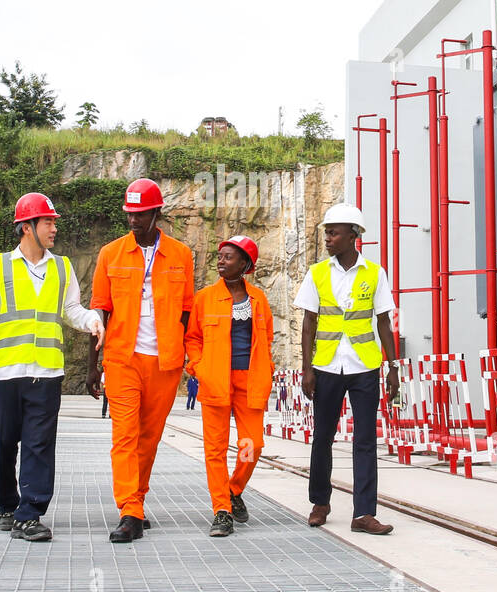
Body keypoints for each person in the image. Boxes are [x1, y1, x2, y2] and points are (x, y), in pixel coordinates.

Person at [0, 192, 103, 542]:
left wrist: (91, 320)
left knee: (39, 445)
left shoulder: (62, 267)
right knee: (3, 444)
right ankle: (7, 506)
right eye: (48, 222)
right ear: (27, 227)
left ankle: (30, 513)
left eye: (54, 222)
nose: (54, 228)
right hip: (5, 374)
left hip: (45, 374)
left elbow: (70, 309)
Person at [86, 178, 195, 543]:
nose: (133, 220)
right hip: (122, 357)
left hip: (165, 361)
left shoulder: (181, 255)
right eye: (129, 214)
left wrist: (184, 358)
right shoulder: (110, 254)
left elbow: (185, 312)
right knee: (125, 435)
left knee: (149, 438)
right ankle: (129, 510)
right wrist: (92, 366)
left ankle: (137, 502)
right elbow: (99, 311)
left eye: (140, 214)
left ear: (156, 213)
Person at [293, 203, 399, 535]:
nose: (327, 237)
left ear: (354, 236)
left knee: (365, 440)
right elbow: (308, 324)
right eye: (326, 232)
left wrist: (392, 367)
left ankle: (364, 514)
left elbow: (384, 321)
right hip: (325, 366)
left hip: (364, 366)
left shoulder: (374, 273)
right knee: (323, 436)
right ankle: (320, 502)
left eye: (334, 232)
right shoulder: (317, 273)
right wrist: (306, 369)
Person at [185, 235, 274, 537]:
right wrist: (198, 366)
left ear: (245, 263)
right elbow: (193, 338)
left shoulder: (258, 300)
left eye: (228, 257)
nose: (221, 261)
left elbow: (267, 339)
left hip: (249, 381)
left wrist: (267, 369)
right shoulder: (205, 298)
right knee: (215, 449)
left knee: (252, 445)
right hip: (215, 380)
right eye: (220, 256)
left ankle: (234, 489)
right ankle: (221, 510)